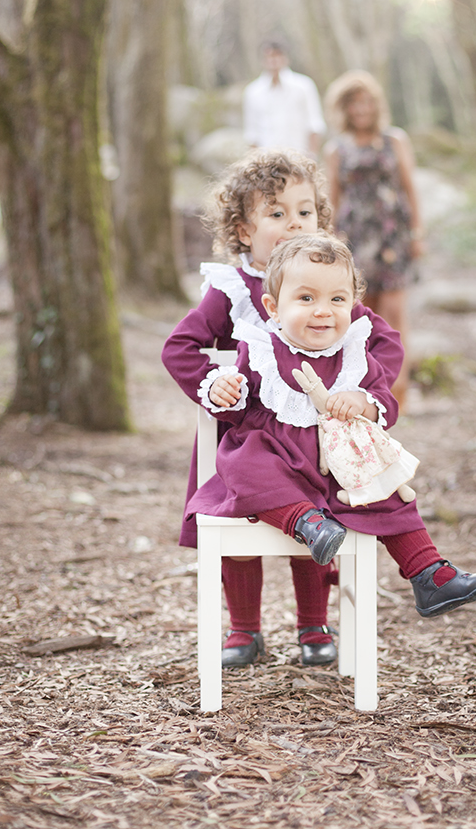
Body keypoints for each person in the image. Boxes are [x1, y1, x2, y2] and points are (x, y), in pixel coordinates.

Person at [162, 149, 405, 668]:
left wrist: (363, 391)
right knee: (242, 523)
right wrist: (215, 382)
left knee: (319, 520)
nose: (293, 224)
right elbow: (180, 347)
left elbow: (378, 341)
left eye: (304, 212)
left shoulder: (320, 279)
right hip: (248, 442)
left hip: (318, 443)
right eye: (276, 214)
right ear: (244, 230)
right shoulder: (231, 290)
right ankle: (244, 630)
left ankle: (314, 626)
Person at [200, 233, 476, 641]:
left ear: (353, 307)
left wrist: (364, 401)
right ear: (274, 308)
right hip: (278, 459)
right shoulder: (262, 348)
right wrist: (223, 391)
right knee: (245, 463)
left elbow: (386, 405)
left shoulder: (355, 354)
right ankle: (302, 520)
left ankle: (429, 574)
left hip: (337, 467)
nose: (323, 312)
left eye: (337, 300)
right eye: (306, 299)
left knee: (386, 485)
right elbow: (239, 407)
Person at [323, 70, 423, 406]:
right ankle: (368, 390)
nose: (361, 109)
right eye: (354, 103)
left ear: (376, 104)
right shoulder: (336, 148)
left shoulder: (395, 140)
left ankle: (401, 389)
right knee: (363, 317)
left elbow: (410, 188)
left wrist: (417, 233)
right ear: (345, 108)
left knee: (395, 313)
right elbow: (332, 198)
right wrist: (327, 243)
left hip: (392, 236)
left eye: (366, 102)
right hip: (354, 239)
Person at [242, 41, 325, 156]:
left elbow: (314, 124)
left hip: (298, 159)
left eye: (277, 55)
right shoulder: (253, 91)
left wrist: (311, 158)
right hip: (266, 161)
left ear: (285, 58)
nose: (273, 60)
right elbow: (252, 134)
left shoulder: (304, 85)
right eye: (269, 56)